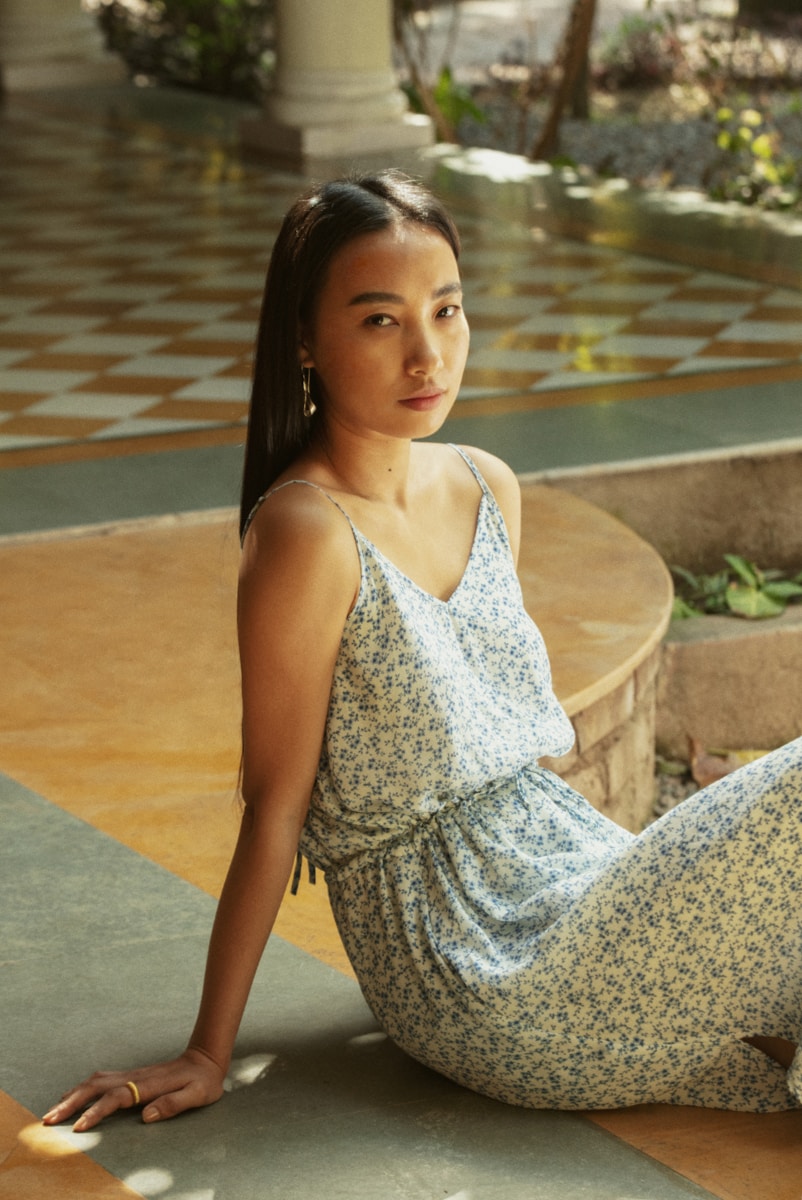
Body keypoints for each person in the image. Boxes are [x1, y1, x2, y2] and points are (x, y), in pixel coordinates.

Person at [45, 171, 802, 1133]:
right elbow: (275, 807)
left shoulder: (487, 484)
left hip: (577, 875)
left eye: (446, 310)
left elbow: (499, 746)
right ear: (305, 341)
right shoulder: (306, 533)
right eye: (380, 320)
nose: (427, 353)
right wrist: (206, 1052)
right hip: (474, 962)